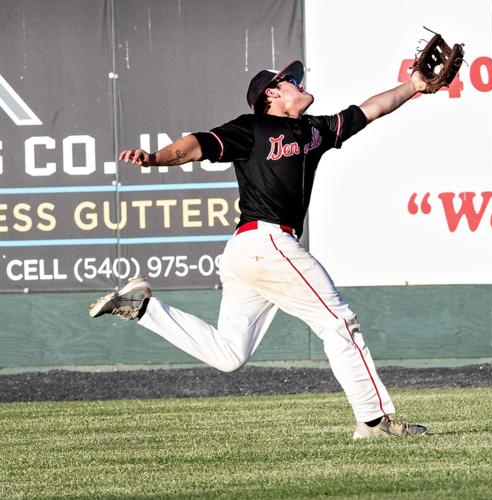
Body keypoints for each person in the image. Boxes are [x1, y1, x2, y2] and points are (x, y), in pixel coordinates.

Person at [89, 60, 435, 439]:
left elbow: (372, 109)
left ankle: (143, 308)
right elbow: (198, 144)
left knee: (229, 354)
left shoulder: (313, 131)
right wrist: (155, 158)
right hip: (266, 241)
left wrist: (414, 84)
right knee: (338, 322)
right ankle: (374, 421)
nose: (299, 83)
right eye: (291, 80)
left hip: (247, 252)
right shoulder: (253, 127)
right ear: (272, 92)